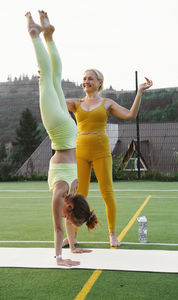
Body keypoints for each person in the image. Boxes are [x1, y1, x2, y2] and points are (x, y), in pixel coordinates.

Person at [25, 10, 98, 267]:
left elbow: (67, 220)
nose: (66, 221)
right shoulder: (61, 193)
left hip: (68, 132)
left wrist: (74, 247)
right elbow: (57, 229)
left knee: (53, 77)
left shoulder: (74, 189)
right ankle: (35, 34)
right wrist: (60, 258)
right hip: (58, 130)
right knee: (46, 78)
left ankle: (49, 36)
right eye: (70, 218)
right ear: (69, 208)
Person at [65, 71, 152, 247]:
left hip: (101, 151)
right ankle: (72, 236)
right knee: (78, 195)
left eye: (90, 78)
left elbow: (130, 115)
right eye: (84, 79)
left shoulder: (107, 103)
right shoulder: (76, 103)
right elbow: (54, 102)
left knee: (107, 192)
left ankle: (112, 234)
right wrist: (44, 82)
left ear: (99, 83)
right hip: (80, 151)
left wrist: (140, 92)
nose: (86, 81)